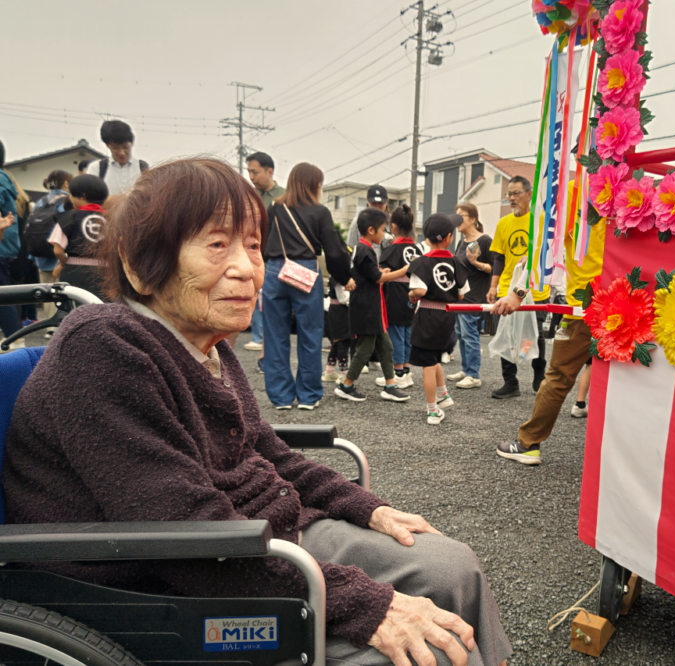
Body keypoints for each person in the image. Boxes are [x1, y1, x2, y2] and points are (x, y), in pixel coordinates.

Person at [3, 157, 512, 666]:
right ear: (139, 265)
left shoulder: (205, 342)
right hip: (163, 580)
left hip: (261, 535)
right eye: (217, 245)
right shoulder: (102, 349)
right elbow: (182, 531)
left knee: (451, 567)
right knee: (431, 653)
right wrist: (367, 605)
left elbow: (268, 451)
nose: (248, 268)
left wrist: (364, 506)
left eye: (252, 245)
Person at [494, 181, 605, 465]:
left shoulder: (573, 191)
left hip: (586, 307)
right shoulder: (634, 188)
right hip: (628, 304)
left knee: (558, 377)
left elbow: (542, 248)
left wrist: (518, 293)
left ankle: (528, 443)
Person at [261, 163, 352, 411]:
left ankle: (280, 397)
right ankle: (309, 396)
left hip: (274, 270)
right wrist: (344, 277)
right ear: (315, 185)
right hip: (304, 271)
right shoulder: (320, 211)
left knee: (275, 335)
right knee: (310, 335)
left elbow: (262, 242)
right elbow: (334, 250)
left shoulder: (274, 207)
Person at [335, 208, 410, 403]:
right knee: (365, 350)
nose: (384, 234)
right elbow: (377, 278)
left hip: (372, 309)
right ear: (371, 230)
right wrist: (402, 270)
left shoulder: (364, 248)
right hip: (367, 310)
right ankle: (346, 385)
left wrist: (380, 271)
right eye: (383, 229)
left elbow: (370, 274)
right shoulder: (364, 249)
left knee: (386, 347)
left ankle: (390, 386)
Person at [487, 175, 550, 399]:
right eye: (509, 194)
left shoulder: (541, 220)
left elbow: (549, 251)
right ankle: (510, 382)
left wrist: (532, 254)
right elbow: (499, 259)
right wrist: (493, 287)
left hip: (535, 288)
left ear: (529, 194)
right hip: (507, 287)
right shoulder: (503, 223)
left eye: (516, 193)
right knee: (506, 334)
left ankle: (538, 371)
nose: (512, 198)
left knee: (534, 335)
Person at [407, 213, 468, 425]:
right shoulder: (457, 263)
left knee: (427, 365)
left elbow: (420, 290)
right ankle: (443, 395)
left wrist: (411, 294)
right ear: (449, 238)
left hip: (427, 317)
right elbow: (461, 295)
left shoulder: (421, 262)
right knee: (433, 358)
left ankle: (432, 410)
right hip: (447, 316)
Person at [447, 203, 494, 390]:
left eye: (461, 216)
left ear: (473, 219)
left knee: (470, 334)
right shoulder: (462, 241)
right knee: (461, 333)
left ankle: (474, 374)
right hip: (460, 295)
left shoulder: (485, 240)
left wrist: (476, 263)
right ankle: (466, 370)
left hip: (474, 295)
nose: (457, 221)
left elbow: (494, 268)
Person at [377, 204, 422, 390]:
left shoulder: (389, 251)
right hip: (414, 294)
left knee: (395, 332)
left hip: (394, 295)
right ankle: (407, 370)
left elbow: (381, 276)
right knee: (408, 333)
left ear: (393, 227)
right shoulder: (418, 251)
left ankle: (398, 373)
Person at [245, 152, 285, 352]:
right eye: (249, 172)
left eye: (255, 172)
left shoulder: (284, 195)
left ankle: (269, 340)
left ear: (269, 171)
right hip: (250, 253)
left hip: (274, 257)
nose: (252, 177)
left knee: (270, 297)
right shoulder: (248, 195)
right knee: (252, 292)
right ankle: (257, 336)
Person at [48, 174, 109, 298]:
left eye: (71, 194)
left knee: (75, 309)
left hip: (75, 272)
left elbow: (58, 251)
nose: (69, 198)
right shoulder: (114, 218)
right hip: (107, 274)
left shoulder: (67, 218)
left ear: (82, 196)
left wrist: (65, 262)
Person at [32, 170, 73, 335]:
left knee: (46, 292)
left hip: (40, 254)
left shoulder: (40, 201)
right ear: (66, 184)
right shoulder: (66, 201)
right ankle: (62, 327)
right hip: (59, 254)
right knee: (63, 292)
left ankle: (50, 328)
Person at [0, 140, 25, 344]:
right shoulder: (6, 178)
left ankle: (15, 340)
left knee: (2, 297)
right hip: (8, 247)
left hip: (1, 246)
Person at [87, 120, 148, 196]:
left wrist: (108, 200)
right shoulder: (96, 168)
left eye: (126, 147)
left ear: (132, 143)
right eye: (115, 148)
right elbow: (91, 199)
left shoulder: (143, 168)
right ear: (107, 146)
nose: (121, 153)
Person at [346, 184, 392, 258]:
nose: (377, 207)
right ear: (367, 200)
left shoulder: (392, 222)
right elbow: (350, 250)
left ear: (386, 202)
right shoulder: (357, 222)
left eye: (380, 203)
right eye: (374, 203)